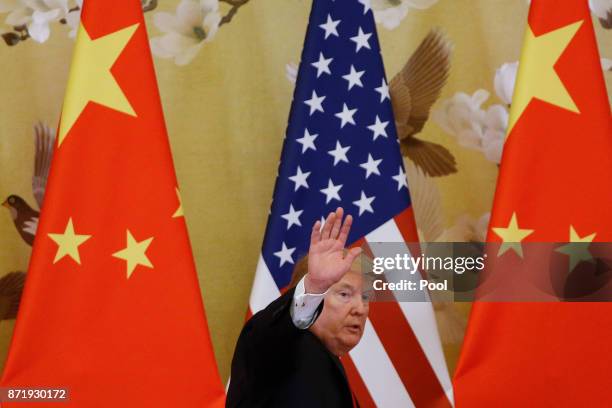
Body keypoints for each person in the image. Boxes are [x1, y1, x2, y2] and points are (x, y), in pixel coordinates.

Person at [227, 207, 371, 408]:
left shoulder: (327, 361)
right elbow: (268, 335)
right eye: (345, 294)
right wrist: (315, 286)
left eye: (365, 297)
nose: (360, 309)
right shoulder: (280, 347)